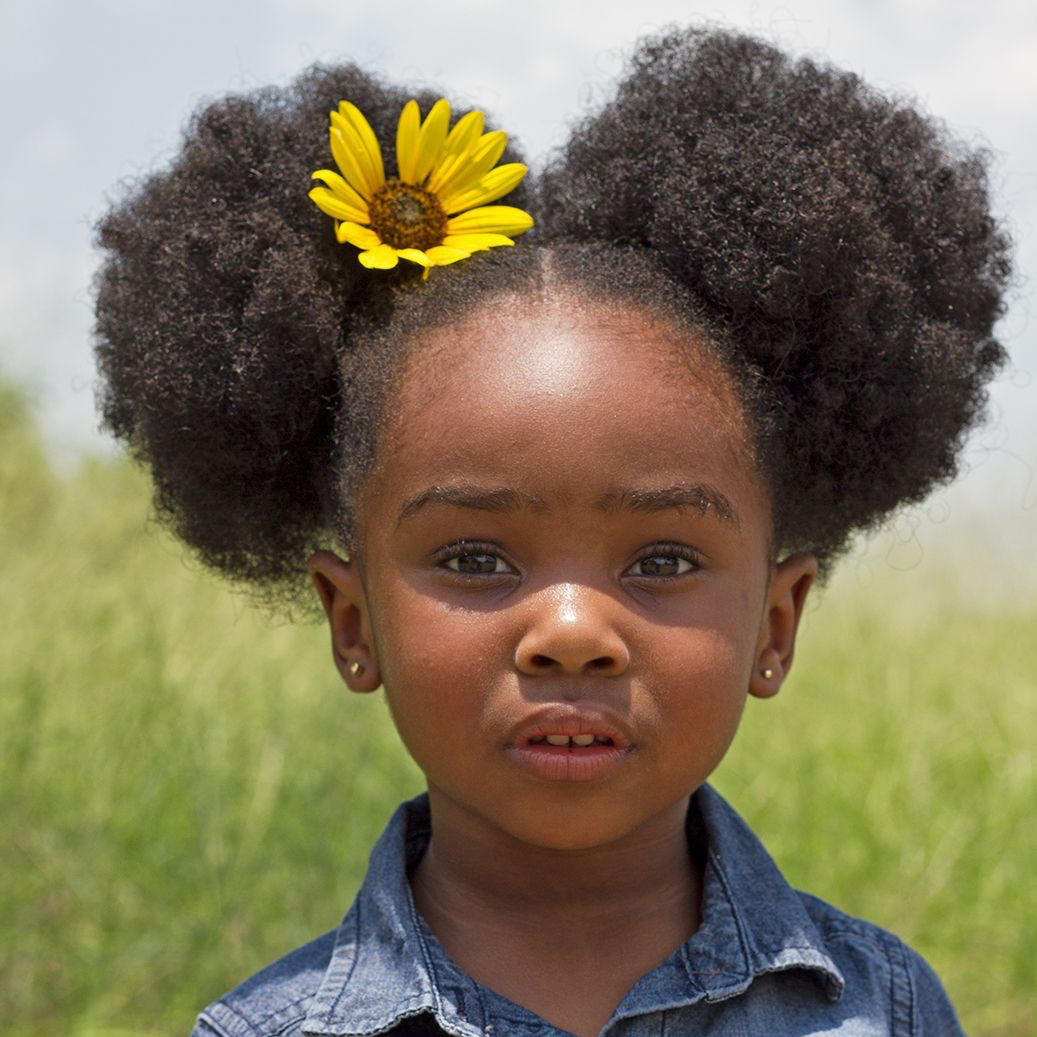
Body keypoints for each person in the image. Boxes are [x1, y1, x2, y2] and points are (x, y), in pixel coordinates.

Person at [92, 25, 1010, 1037]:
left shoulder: (891, 1007)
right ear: (351, 621)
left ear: (774, 623)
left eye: (661, 559)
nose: (571, 628)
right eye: (474, 558)